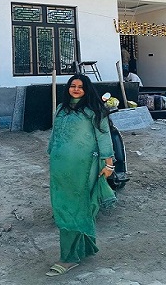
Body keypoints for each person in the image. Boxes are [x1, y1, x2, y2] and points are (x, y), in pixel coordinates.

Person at [46, 74, 116, 276]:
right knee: (62, 204)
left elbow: (104, 137)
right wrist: (52, 153)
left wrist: (109, 164)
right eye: (72, 86)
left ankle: (68, 258)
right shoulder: (61, 108)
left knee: (76, 207)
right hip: (60, 167)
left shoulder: (94, 111)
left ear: (87, 90)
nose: (76, 89)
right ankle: (85, 247)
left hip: (84, 167)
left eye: (80, 87)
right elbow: (55, 135)